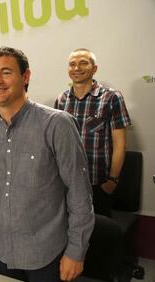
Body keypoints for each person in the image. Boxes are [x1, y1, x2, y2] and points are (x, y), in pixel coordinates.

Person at [0, 47, 94, 281]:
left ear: (26, 77)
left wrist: (76, 251)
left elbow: (79, 193)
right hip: (3, 252)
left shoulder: (57, 124)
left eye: (6, 72)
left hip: (47, 254)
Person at [54, 48, 131, 217]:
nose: (77, 68)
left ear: (94, 69)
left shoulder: (111, 98)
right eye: (72, 64)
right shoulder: (61, 100)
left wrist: (112, 181)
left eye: (83, 63)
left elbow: (120, 144)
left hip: (98, 184)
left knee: (98, 236)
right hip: (67, 183)